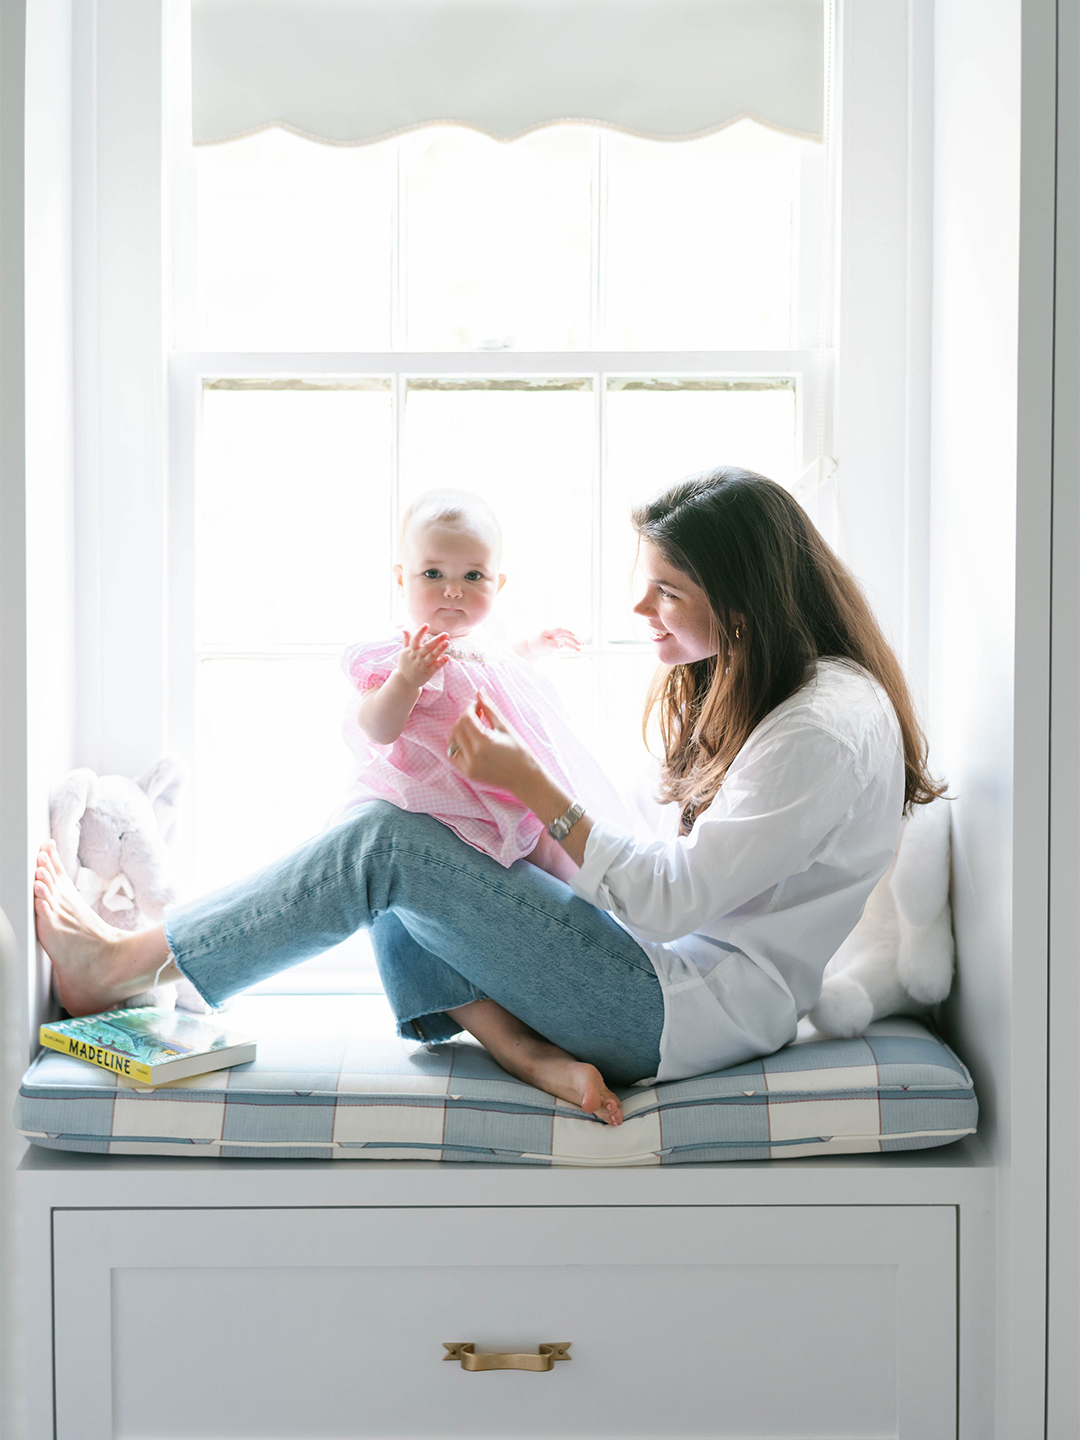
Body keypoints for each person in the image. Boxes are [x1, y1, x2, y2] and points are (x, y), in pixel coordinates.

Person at [33, 468, 943, 1128]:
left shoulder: (820, 730)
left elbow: (673, 898)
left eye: (667, 590)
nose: (640, 610)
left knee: (387, 842)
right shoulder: (795, 689)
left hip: (675, 1011)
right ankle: (521, 1047)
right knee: (418, 818)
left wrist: (531, 787)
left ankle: (122, 968)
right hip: (666, 981)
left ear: (744, 600)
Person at [338, 487, 629, 883]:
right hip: (441, 807)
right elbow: (376, 728)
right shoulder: (405, 652)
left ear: (499, 583)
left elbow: (496, 671)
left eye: (473, 576)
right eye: (433, 574)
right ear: (401, 578)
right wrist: (405, 681)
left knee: (561, 865)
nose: (454, 589)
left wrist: (533, 646)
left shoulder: (485, 641)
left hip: (502, 794)